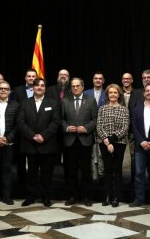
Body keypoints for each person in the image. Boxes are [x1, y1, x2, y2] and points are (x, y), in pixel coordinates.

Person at [18, 78, 61, 207]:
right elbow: (20, 122)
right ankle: (30, 197)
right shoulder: (25, 102)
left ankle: (46, 197)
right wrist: (33, 136)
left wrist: (43, 136)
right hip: (30, 144)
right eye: (37, 85)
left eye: (42, 85)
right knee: (31, 173)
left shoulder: (53, 103)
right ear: (33, 87)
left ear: (45, 88)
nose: (40, 87)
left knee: (47, 174)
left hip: (47, 144)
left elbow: (56, 122)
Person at [62, 78, 98, 207]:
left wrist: (87, 128)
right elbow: (61, 119)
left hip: (85, 140)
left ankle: (86, 197)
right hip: (70, 140)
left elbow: (95, 118)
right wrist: (66, 127)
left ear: (83, 87)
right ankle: (72, 196)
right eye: (73, 86)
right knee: (71, 170)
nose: (75, 88)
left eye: (78, 86)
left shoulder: (91, 100)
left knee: (86, 170)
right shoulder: (66, 100)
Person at [97, 84, 129, 207]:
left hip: (119, 143)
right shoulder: (102, 109)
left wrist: (112, 140)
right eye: (111, 93)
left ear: (119, 94)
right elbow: (99, 127)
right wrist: (106, 141)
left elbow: (125, 127)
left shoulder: (124, 109)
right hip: (104, 143)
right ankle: (107, 196)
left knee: (117, 170)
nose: (113, 95)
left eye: (115, 93)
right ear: (107, 95)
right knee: (107, 170)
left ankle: (116, 197)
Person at [12, 69, 38, 184]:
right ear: (25, 78)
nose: (31, 78)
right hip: (21, 128)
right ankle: (22, 181)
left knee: (35, 158)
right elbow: (14, 108)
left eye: (33, 76)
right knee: (21, 157)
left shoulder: (41, 90)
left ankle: (34, 181)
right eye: (29, 76)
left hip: (37, 128)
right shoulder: (17, 90)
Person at [84, 71, 106, 181]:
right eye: (95, 78)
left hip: (103, 128)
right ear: (93, 80)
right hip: (89, 128)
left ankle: (102, 175)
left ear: (103, 81)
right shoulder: (86, 93)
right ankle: (93, 176)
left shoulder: (108, 93)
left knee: (102, 153)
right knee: (91, 153)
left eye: (100, 78)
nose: (98, 80)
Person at [121, 72, 136, 183]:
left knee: (133, 155)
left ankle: (132, 181)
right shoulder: (117, 92)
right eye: (124, 78)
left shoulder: (137, 93)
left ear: (132, 80)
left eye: (128, 78)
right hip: (119, 128)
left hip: (132, 128)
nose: (126, 80)